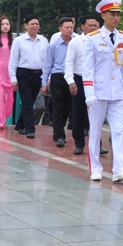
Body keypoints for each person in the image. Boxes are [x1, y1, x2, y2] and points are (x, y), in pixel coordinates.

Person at [82, 0, 123, 183]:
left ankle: (119, 168)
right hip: (98, 91)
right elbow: (87, 68)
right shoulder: (93, 39)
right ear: (103, 15)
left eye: (118, 14)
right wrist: (89, 92)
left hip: (117, 91)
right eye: (112, 14)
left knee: (118, 130)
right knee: (95, 131)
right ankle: (95, 168)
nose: (116, 18)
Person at [65, 15, 102, 155]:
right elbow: (68, 63)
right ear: (82, 26)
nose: (93, 28)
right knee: (79, 113)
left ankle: (97, 144)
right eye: (90, 25)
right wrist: (71, 82)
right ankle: (79, 143)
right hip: (79, 79)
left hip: (97, 80)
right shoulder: (75, 43)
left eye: (95, 26)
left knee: (97, 114)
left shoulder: (101, 41)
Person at [9, 15, 48, 138]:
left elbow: (46, 60)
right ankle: (29, 128)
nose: (35, 26)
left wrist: (46, 78)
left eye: (37, 24)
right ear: (26, 25)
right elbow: (13, 61)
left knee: (30, 101)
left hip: (38, 74)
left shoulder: (43, 40)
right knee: (27, 102)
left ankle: (20, 124)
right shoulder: (19, 41)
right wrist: (13, 79)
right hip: (24, 73)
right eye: (32, 24)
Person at [41, 17, 75, 148]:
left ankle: (59, 128)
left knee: (68, 106)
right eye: (66, 27)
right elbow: (47, 65)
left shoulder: (76, 43)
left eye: (71, 27)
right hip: (58, 77)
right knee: (57, 106)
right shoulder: (53, 46)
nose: (69, 30)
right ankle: (59, 134)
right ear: (60, 28)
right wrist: (44, 82)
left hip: (71, 78)